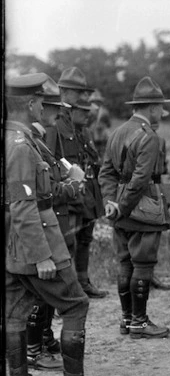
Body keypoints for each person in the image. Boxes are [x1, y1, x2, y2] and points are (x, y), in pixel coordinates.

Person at [5, 73, 117, 376]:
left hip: (14, 243)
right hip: (36, 238)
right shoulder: (21, 146)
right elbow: (24, 205)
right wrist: (42, 256)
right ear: (29, 103)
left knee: (14, 313)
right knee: (75, 305)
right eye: (42, 102)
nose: (45, 109)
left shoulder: (14, 138)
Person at [98, 76, 170, 339]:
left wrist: (112, 202)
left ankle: (127, 320)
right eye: (160, 108)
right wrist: (122, 206)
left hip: (121, 207)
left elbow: (105, 173)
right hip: (142, 208)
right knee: (142, 264)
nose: (162, 113)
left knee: (125, 263)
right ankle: (139, 323)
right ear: (151, 108)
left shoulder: (117, 132)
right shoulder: (149, 136)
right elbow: (141, 180)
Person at [25, 78, 87, 372]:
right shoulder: (35, 140)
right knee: (42, 289)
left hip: (52, 218)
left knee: (44, 290)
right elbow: (45, 189)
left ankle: (42, 340)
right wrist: (73, 187)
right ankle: (34, 349)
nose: (55, 112)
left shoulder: (38, 137)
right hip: (44, 221)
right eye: (51, 106)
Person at [44, 67, 108, 299]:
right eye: (75, 91)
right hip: (66, 193)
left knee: (82, 239)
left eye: (83, 91)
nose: (81, 96)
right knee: (65, 243)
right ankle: (67, 292)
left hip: (80, 193)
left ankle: (80, 283)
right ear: (62, 91)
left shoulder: (72, 122)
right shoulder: (55, 122)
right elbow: (50, 158)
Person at [149, 109, 170, 292]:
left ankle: (151, 274)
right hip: (141, 189)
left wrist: (167, 196)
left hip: (157, 189)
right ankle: (141, 275)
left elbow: (164, 171)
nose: (156, 122)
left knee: (156, 234)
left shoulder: (161, 141)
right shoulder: (136, 138)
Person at [88, 89, 113, 159]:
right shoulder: (89, 112)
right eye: (94, 101)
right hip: (91, 135)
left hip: (103, 137)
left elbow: (109, 124)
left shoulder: (104, 112)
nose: (96, 103)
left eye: (97, 101)